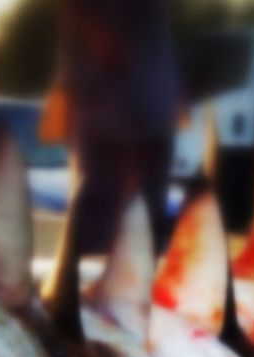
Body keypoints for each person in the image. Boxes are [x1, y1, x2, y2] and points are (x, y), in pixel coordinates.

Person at [47, 0, 182, 256]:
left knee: (140, 215)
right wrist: (97, 35)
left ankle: (123, 271)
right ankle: (93, 274)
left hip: (147, 109)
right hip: (108, 111)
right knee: (99, 216)